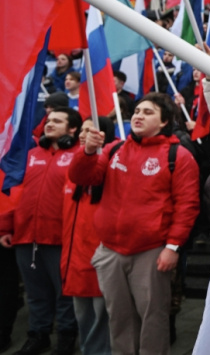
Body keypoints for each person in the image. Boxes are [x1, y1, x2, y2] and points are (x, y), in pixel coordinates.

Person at [70, 93, 200, 355]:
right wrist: (88, 152)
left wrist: (172, 247)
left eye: (148, 112)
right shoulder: (114, 149)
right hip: (111, 251)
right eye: (137, 111)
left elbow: (187, 206)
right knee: (119, 319)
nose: (139, 115)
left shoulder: (179, 156)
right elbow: (82, 176)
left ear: (164, 122)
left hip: (151, 251)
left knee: (153, 320)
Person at [0, 107, 82, 355]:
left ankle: (66, 338)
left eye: (57, 121)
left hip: (61, 238)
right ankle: (38, 335)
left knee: (64, 294)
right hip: (26, 236)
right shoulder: (30, 155)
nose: (50, 124)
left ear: (72, 129)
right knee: (35, 294)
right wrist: (6, 226)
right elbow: (14, 192)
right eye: (48, 120)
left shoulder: (80, 156)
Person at [61, 118, 116, 355]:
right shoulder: (75, 166)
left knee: (102, 322)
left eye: (90, 130)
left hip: (100, 259)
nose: (83, 134)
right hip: (75, 261)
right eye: (82, 130)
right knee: (84, 319)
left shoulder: (113, 166)